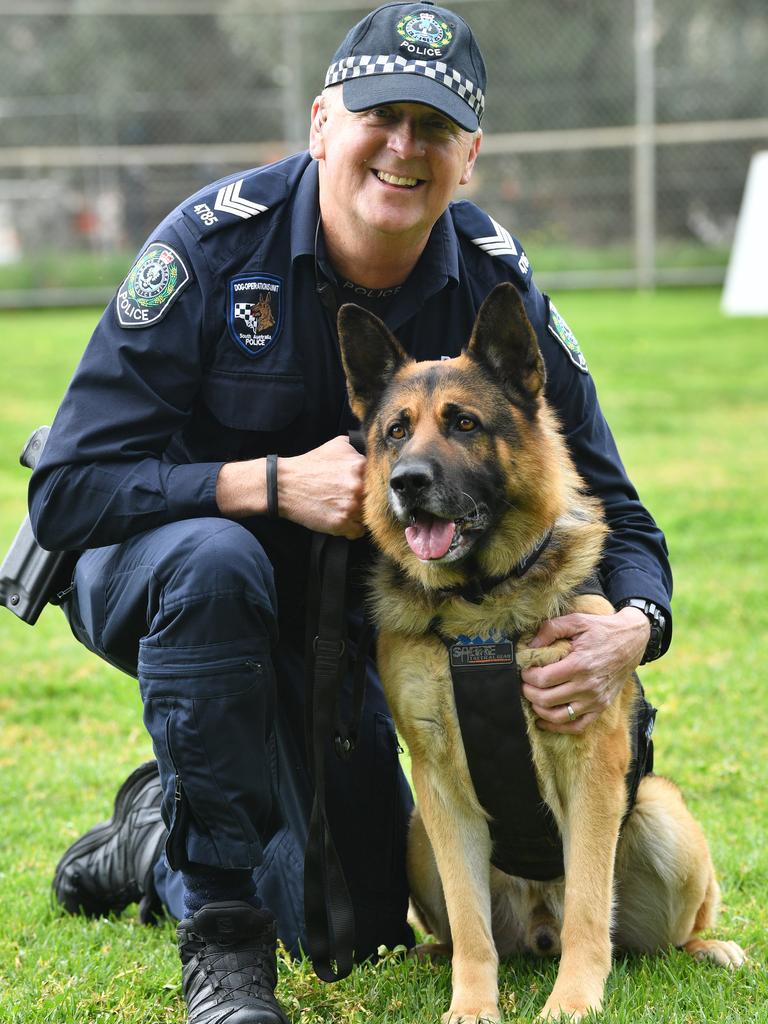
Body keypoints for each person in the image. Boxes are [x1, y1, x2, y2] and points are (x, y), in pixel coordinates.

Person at [29, 3, 672, 1022]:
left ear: (470, 155)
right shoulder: (210, 245)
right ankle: (225, 943)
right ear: (323, 120)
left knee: (358, 917)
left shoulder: (494, 278)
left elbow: (616, 507)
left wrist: (633, 629)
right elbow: (64, 489)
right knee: (213, 564)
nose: (403, 147)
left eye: (433, 126)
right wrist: (265, 484)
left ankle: (156, 825)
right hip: (164, 576)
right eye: (380, 115)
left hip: (344, 627)